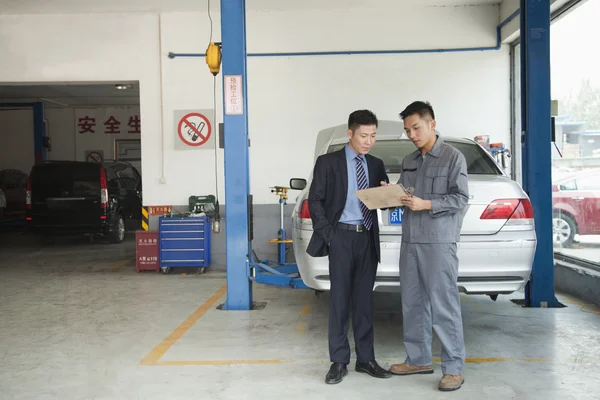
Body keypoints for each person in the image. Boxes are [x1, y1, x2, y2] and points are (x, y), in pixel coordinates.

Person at [388, 101, 469, 392]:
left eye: (416, 128)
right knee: (412, 302)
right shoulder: (410, 160)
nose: (412, 134)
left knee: (443, 305)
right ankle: (418, 358)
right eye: (407, 130)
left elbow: (460, 199)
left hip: (438, 241)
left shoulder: (452, 157)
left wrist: (428, 204)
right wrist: (390, 192)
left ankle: (453, 368)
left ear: (432, 124)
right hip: (410, 240)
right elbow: (403, 193)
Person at [306, 109, 392, 385]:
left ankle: (365, 359)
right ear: (350, 133)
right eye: (364, 136)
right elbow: (315, 200)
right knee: (340, 301)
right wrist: (328, 233)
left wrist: (388, 193)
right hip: (340, 237)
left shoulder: (376, 164)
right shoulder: (328, 162)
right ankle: (339, 361)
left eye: (373, 136)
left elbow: (381, 198)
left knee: (365, 302)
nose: (368, 141)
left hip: (367, 237)